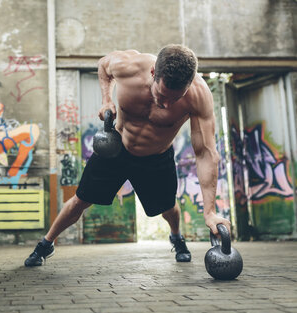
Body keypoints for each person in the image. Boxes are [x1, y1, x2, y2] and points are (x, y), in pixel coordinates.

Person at [25, 44, 231, 267]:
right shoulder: (129, 66)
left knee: (168, 207)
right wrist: (106, 99)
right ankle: (46, 244)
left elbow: (206, 153)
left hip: (156, 157)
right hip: (117, 149)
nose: (166, 104)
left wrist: (210, 212)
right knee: (80, 201)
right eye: (161, 95)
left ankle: (176, 237)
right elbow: (103, 65)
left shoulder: (197, 95)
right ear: (153, 72)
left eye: (175, 99)